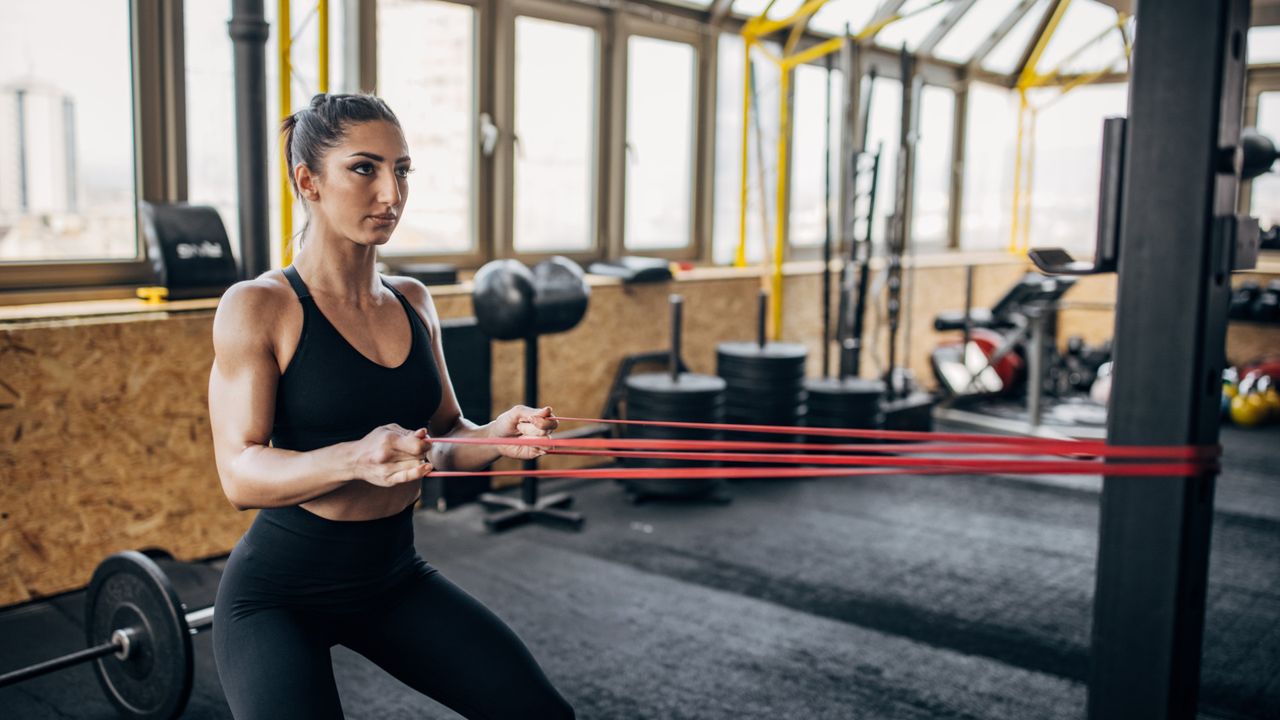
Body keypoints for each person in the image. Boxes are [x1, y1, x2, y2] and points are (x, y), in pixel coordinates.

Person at [208, 93, 575, 720]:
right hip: (278, 595)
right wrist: (354, 458)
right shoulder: (259, 305)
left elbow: (447, 439)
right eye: (364, 168)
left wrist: (494, 437)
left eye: (401, 170)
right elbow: (240, 474)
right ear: (308, 181)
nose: (391, 193)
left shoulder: (412, 300)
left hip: (392, 579)